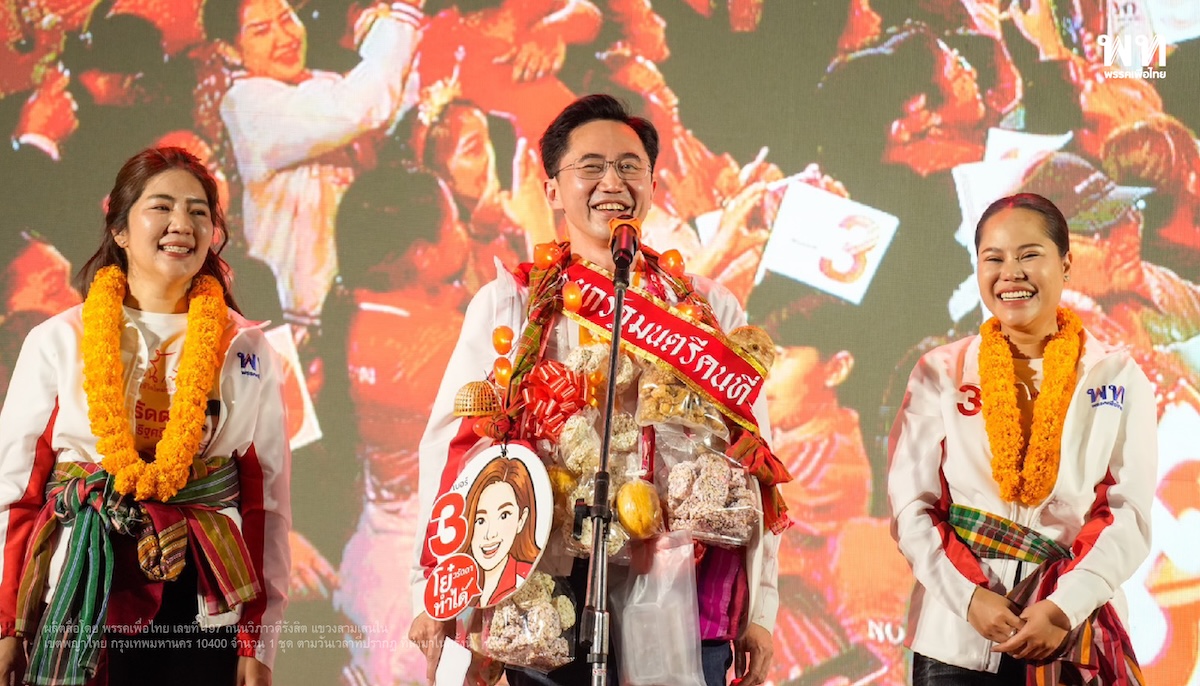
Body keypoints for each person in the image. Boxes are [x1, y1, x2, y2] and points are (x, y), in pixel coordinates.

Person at [407, 93, 784, 686]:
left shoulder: (709, 309)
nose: (613, 180)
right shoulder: (511, 301)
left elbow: (754, 461)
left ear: (654, 183)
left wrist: (760, 608)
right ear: (553, 188)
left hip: (679, 580)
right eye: (591, 166)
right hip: (544, 582)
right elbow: (452, 453)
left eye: (630, 166)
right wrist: (434, 590)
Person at [0, 147, 292, 686]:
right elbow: (16, 493)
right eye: (161, 206)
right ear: (120, 229)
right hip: (80, 584)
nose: (181, 223)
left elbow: (265, 500)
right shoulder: (59, 339)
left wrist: (259, 637)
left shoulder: (246, 346)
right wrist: (5, 628)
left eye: (199, 211)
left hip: (203, 601)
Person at [887, 192, 1155, 685]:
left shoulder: (1117, 374)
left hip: (1071, 632)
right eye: (994, 258)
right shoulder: (941, 371)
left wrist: (1061, 608)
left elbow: (1127, 510)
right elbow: (912, 507)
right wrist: (969, 598)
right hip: (957, 639)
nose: (1010, 272)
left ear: (1066, 264)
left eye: (1029, 254)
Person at [204, 0, 424, 331]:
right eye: (262, 31)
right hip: (295, 317)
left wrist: (381, 26)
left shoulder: (324, 84)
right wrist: (402, 15)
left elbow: (388, 100)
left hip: (349, 302)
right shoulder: (248, 106)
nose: (285, 37)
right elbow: (361, 107)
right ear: (229, 49)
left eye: (287, 19)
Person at [460, 456, 541, 606]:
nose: (490, 534)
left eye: (504, 516)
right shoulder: (459, 588)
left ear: (521, 520)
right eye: (480, 520)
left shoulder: (527, 582)